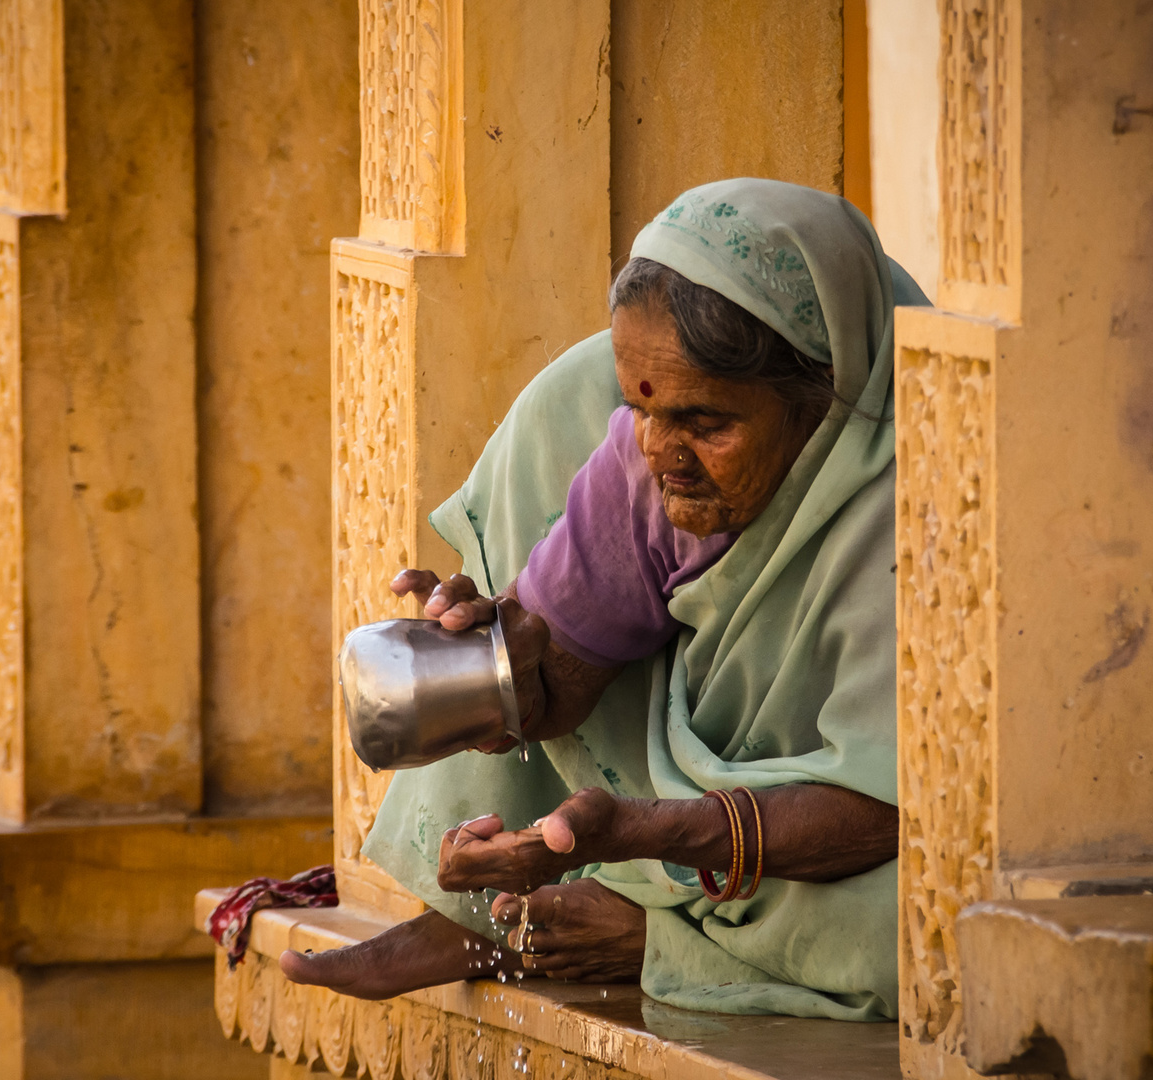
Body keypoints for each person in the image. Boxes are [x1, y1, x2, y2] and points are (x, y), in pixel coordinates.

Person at [283, 178, 929, 1019]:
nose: (662, 454)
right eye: (640, 412)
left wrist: (647, 835)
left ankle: (661, 938)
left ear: (825, 396)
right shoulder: (643, 443)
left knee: (921, 925)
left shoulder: (912, 502)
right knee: (564, 402)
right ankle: (494, 922)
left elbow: (886, 811)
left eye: (707, 423)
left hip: (863, 838)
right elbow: (560, 677)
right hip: (677, 833)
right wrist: (490, 666)